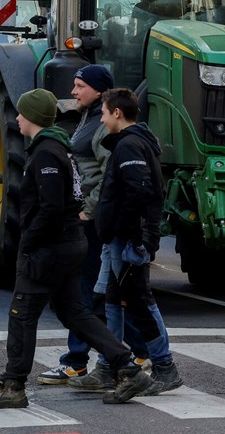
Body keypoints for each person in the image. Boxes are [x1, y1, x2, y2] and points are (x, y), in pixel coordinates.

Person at [0, 88, 160, 410]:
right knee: (76, 313)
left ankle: (13, 385)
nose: (17, 117)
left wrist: (27, 243)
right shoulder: (57, 148)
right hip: (68, 244)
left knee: (22, 315)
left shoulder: (45, 153)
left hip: (49, 249)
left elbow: (53, 206)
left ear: (32, 117)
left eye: (21, 112)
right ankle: (127, 367)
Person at [38, 65, 149, 387]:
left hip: (93, 221)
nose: (73, 92)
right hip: (90, 217)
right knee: (105, 293)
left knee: (84, 293)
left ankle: (76, 362)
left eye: (79, 86)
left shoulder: (101, 128)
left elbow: (107, 175)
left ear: (98, 90)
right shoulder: (88, 119)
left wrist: (87, 211)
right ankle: (138, 352)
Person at [92, 87, 183, 394]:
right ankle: (109, 366)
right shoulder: (133, 143)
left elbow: (138, 192)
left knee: (140, 301)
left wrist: (133, 238)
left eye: (104, 113)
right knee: (114, 301)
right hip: (125, 237)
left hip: (128, 240)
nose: (102, 120)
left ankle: (164, 367)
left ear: (117, 113)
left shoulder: (129, 146)